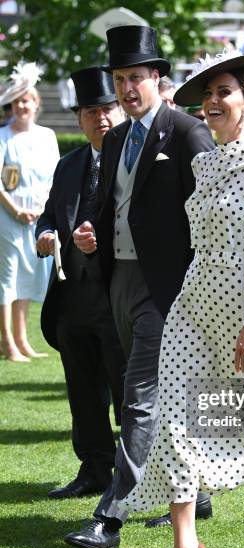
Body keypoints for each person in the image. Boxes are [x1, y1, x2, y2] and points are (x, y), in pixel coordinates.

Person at [120, 48, 244, 548]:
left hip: (243, 312)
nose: (213, 101)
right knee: (174, 422)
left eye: (224, 92)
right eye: (207, 94)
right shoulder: (201, 162)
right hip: (192, 307)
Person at [64, 25, 215, 548]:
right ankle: (197, 494)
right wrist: (90, 237)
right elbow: (110, 210)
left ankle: (110, 517)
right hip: (120, 281)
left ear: (158, 79)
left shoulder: (187, 131)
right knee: (164, 401)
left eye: (137, 78)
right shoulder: (116, 137)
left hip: (169, 288)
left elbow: (210, 219)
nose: (128, 89)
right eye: (120, 79)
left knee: (139, 400)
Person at [35, 67, 127, 498]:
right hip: (72, 299)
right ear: (79, 119)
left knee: (130, 396)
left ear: (121, 110)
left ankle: (136, 479)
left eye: (107, 108)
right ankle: (94, 471)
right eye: (91, 111)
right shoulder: (68, 165)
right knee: (83, 393)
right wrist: (44, 234)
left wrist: (100, 244)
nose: (100, 117)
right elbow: (51, 213)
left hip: (119, 298)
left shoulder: (132, 161)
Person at [0, 61, 59, 362]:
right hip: (8, 217)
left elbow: (54, 178)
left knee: (26, 275)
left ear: (36, 104)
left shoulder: (47, 136)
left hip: (37, 215)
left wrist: (41, 208)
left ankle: (22, 339)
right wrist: (16, 210)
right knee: (7, 278)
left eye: (28, 99)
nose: (23, 105)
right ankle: (7, 342)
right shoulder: (3, 136)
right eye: (18, 100)